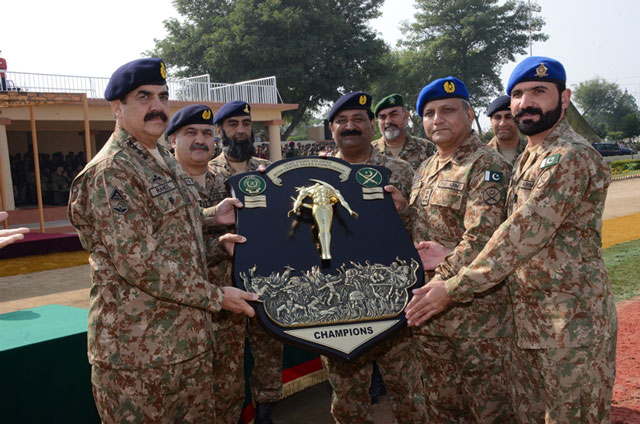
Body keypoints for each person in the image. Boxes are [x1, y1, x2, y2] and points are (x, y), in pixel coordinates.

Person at [406, 57, 618, 423]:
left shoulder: (569, 157)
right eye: (517, 95)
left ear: (564, 99)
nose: (525, 102)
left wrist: (452, 286)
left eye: (539, 92)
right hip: (527, 321)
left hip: (570, 326)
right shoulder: (531, 156)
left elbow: (518, 235)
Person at [68, 58, 258, 424]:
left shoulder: (161, 160)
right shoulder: (113, 171)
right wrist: (217, 296)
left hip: (187, 346)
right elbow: (140, 262)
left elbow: (173, 241)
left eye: (162, 96)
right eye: (143, 97)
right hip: (138, 359)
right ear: (117, 108)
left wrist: (216, 236)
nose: (156, 106)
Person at [403, 76, 514, 422]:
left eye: (448, 110)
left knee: (490, 411)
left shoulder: (487, 165)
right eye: (430, 113)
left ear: (469, 114)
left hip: (477, 320)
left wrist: (446, 268)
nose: (438, 119)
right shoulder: (424, 169)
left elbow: (485, 239)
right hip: (429, 318)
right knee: (441, 408)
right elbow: (422, 232)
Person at [321, 91, 427, 424]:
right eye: (342, 121)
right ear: (331, 127)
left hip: (394, 297)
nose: (349, 127)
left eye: (358, 120)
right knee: (348, 397)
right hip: (338, 301)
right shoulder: (315, 172)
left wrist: (402, 211)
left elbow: (420, 232)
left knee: (408, 389)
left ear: (371, 125)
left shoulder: (401, 171)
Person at [167, 103, 246, 424]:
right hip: (177, 314)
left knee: (229, 391)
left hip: (228, 310)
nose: (200, 140)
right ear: (172, 139)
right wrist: (217, 245)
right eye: (190, 133)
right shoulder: (159, 184)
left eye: (206, 133)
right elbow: (162, 245)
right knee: (185, 401)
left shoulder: (229, 182)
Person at [207, 100, 281, 424]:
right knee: (227, 356)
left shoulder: (268, 170)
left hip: (266, 276)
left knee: (269, 349)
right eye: (233, 124)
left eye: (246, 124)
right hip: (224, 278)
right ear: (221, 130)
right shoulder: (207, 173)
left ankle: (266, 410)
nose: (241, 130)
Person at [371, 93, 436, 170]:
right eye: (382, 117)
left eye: (393, 115)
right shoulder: (370, 150)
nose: (388, 121)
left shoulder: (426, 148)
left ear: (406, 116)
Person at [486, 94, 527, 165]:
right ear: (491, 120)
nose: (502, 123)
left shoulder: (533, 152)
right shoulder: (482, 155)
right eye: (497, 117)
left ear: (518, 119)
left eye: (509, 117)